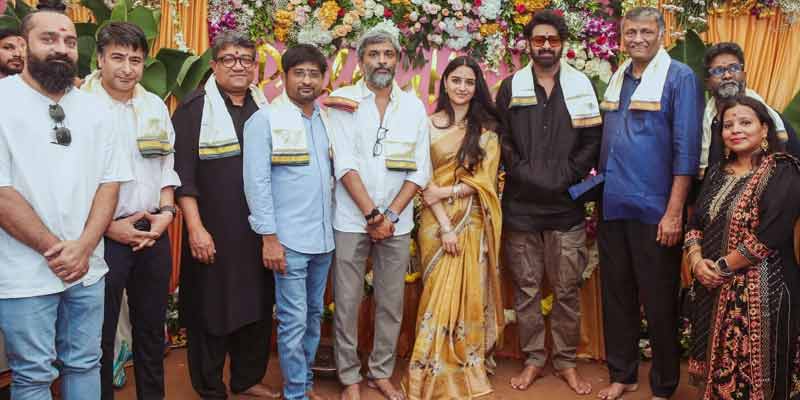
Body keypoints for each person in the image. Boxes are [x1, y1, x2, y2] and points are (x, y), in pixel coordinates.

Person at [0, 3, 132, 399]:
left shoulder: (96, 109)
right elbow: (2, 193)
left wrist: (84, 248)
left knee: (86, 363)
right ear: (23, 45)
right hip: (24, 271)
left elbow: (110, 185)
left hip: (87, 269)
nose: (61, 47)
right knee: (33, 375)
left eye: (70, 41)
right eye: (49, 38)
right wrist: (57, 250)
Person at [596, 7, 703, 400]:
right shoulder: (619, 75)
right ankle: (622, 374)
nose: (637, 39)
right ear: (622, 36)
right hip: (613, 205)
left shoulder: (680, 77)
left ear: (662, 34)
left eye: (645, 31)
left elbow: (686, 150)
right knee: (617, 296)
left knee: (659, 301)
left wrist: (674, 213)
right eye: (630, 32)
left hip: (656, 210)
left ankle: (663, 384)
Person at [495, 10, 602, 395]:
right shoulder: (511, 86)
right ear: (528, 44)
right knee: (526, 290)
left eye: (552, 40)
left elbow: (592, 140)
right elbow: (502, 139)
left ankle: (567, 362)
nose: (545, 46)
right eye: (538, 39)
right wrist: (526, 173)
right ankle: (534, 359)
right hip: (521, 207)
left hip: (564, 208)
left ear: (562, 44)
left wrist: (565, 176)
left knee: (566, 290)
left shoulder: (581, 85)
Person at [325, 22, 431, 400]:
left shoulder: (413, 107)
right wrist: (372, 215)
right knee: (347, 302)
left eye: (388, 54)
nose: (381, 60)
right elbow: (343, 163)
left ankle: (381, 372)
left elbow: (420, 170)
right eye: (373, 54)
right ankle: (349, 377)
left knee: (390, 302)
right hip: (351, 220)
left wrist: (391, 217)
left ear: (398, 59)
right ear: (360, 60)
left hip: (396, 224)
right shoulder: (342, 101)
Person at [172, 31, 279, 399]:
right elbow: (182, 176)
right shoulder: (194, 109)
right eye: (229, 59)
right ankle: (209, 386)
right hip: (212, 230)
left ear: (255, 67)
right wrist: (195, 229)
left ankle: (247, 379)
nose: (238, 66)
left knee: (256, 306)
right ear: (215, 65)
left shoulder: (265, 109)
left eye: (246, 59)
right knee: (211, 310)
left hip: (256, 232)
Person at [81, 22, 180, 400]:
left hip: (152, 230)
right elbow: (71, 180)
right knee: (99, 333)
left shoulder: (154, 105)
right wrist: (107, 227)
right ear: (100, 59)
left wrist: (166, 214)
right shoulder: (79, 106)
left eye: (135, 60)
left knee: (151, 330)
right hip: (100, 236)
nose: (127, 69)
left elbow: (166, 165)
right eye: (118, 58)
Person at [684, 96, 800, 399]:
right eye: (728, 125)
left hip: (763, 291)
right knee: (717, 373)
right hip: (712, 289)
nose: (735, 130)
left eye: (745, 122)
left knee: (762, 380)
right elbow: (695, 224)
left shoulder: (782, 170)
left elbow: (770, 236)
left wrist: (720, 268)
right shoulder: (716, 172)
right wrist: (697, 263)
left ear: (764, 129)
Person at [402, 55, 505, 399]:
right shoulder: (427, 125)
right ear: (444, 83)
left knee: (469, 291)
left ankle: (465, 360)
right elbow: (421, 178)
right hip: (435, 223)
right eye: (456, 80)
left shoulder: (486, 133)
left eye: (469, 82)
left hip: (471, 219)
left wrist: (447, 192)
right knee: (436, 291)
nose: (462, 87)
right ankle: (428, 363)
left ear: (477, 88)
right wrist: (446, 226)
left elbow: (485, 183)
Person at [243, 44, 334, 400]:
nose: (307, 80)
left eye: (314, 73)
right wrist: (269, 237)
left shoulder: (328, 119)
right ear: (284, 77)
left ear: (323, 79)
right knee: (294, 320)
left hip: (324, 239)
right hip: (288, 241)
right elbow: (257, 183)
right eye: (299, 73)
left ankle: (304, 384)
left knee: (313, 316)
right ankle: (295, 392)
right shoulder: (265, 120)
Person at [701, 42, 800, 175]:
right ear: (707, 83)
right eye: (718, 71)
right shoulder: (702, 128)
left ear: (744, 75)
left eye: (734, 68)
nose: (727, 75)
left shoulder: (771, 119)